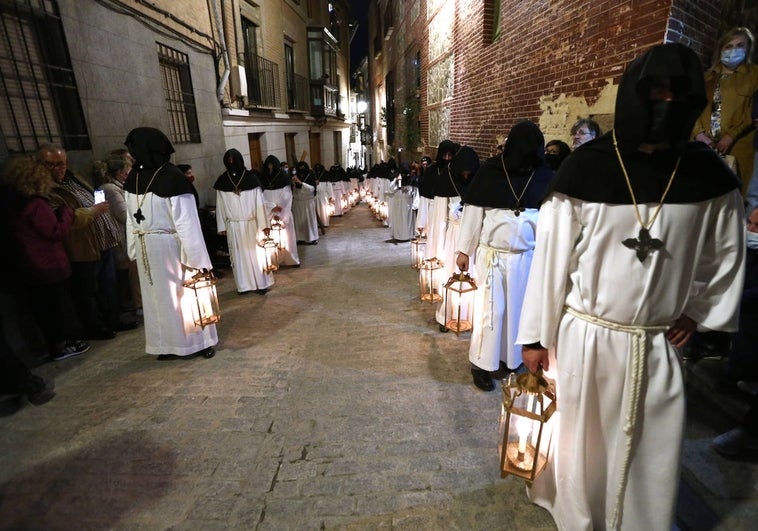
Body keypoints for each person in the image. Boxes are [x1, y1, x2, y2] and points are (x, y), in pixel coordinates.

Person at [516, 43, 745, 530]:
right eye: (655, 94)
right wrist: (535, 338)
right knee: (582, 437)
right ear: (635, 98)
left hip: (657, 339)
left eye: (677, 97)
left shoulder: (708, 179)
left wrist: (699, 311)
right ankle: (579, 511)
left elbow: (724, 254)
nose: (666, 106)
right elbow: (551, 263)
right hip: (585, 336)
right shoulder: (586, 169)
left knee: (650, 442)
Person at [456, 120, 553, 391]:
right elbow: (474, 214)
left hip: (528, 259)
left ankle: (512, 359)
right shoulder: (490, 172)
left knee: (520, 311)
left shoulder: (544, 174)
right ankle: (481, 364)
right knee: (491, 312)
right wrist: (464, 249)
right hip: (493, 258)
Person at [123, 127, 217, 360]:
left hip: (172, 248)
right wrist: (133, 248)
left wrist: (195, 259)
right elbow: (130, 218)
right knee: (157, 299)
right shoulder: (133, 177)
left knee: (184, 295)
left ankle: (199, 342)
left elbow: (187, 221)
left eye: (132, 150)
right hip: (147, 247)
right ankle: (166, 345)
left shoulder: (173, 177)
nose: (130, 155)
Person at [37, 144, 134, 339]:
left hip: (103, 241)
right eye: (52, 165)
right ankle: (95, 327)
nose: (59, 169)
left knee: (108, 285)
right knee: (88, 290)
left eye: (62, 164)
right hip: (82, 246)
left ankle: (113, 319)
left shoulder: (73, 178)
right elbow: (61, 218)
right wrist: (91, 212)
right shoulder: (44, 189)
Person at [2, 157, 90, 361]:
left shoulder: (12, 201)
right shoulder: (36, 204)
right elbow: (54, 231)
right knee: (56, 308)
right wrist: (66, 213)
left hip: (28, 265)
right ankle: (61, 346)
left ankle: (57, 344)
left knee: (43, 308)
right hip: (48, 265)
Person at [693, 27, 758, 195]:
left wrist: (731, 135)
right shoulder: (707, 77)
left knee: (734, 197)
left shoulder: (754, 75)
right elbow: (693, 106)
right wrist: (699, 134)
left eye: (739, 45)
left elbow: (753, 110)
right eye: (728, 46)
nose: (733, 50)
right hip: (704, 145)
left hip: (738, 146)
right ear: (721, 49)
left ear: (748, 48)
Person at [214, 149, 273, 295]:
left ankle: (261, 283)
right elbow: (220, 205)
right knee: (238, 256)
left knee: (255, 254)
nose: (231, 163)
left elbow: (259, 203)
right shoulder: (222, 181)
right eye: (228, 161)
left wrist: (264, 225)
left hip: (251, 224)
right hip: (233, 225)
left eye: (233, 160)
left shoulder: (251, 179)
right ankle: (243, 285)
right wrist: (221, 225)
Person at [100, 152, 142, 317]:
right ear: (120, 172)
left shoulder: (119, 187)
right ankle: (133, 306)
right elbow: (125, 215)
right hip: (121, 238)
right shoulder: (110, 189)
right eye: (127, 169)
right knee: (129, 275)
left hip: (128, 235)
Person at [261, 155, 300, 266]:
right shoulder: (262, 177)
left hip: (283, 211)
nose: (270, 167)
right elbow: (260, 196)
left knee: (287, 238)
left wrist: (280, 208)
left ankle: (290, 259)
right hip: (270, 212)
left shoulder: (283, 177)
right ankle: (275, 260)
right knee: (272, 239)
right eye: (268, 165)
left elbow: (287, 194)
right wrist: (271, 207)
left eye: (272, 165)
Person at [291, 161, 319, 245]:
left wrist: (300, 183)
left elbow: (312, 189)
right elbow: (292, 189)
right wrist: (293, 183)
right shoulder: (295, 175)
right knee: (299, 221)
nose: (301, 171)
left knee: (309, 221)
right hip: (298, 202)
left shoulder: (310, 174)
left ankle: (312, 238)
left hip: (308, 202)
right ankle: (300, 238)